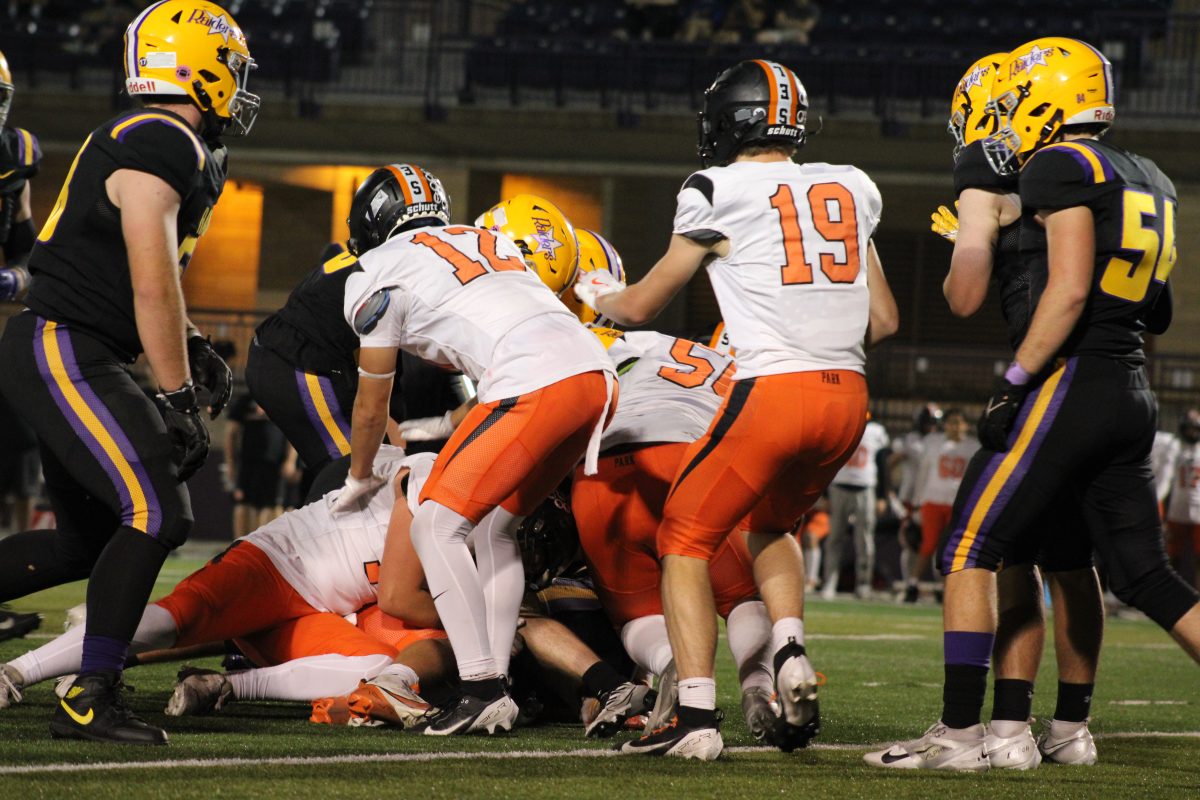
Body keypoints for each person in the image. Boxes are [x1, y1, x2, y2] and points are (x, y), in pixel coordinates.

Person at [867, 38, 1200, 773]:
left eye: (1021, 100)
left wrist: (1015, 380)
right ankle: (1052, 729)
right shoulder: (1149, 175)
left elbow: (1067, 288)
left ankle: (960, 736)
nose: (1011, 117)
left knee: (967, 547)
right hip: (1129, 384)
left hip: (1067, 380)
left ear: (1046, 97)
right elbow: (1162, 306)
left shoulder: (1058, 165)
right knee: (1128, 571)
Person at [574, 59, 898, 759]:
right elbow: (888, 319)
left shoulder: (715, 189)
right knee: (771, 525)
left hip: (773, 393)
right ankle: (787, 651)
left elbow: (641, 305)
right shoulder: (852, 185)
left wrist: (597, 295)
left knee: (682, 543)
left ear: (729, 122)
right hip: (849, 398)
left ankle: (692, 717)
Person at [0, 0, 254, 744]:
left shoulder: (170, 141)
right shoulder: (159, 137)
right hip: (65, 343)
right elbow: (148, 278)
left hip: (76, 345)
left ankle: (94, 687)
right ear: (194, 66)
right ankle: (92, 694)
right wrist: (178, 393)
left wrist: (192, 340)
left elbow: (144, 273)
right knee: (157, 511)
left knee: (88, 539)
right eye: (231, 68)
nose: (238, 85)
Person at [333, 169, 615, 736]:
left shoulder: (375, 272)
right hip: (595, 375)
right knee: (494, 530)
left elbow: (371, 405)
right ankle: (495, 683)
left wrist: (359, 474)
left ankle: (483, 686)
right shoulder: (478, 237)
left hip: (535, 379)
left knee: (435, 525)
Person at [916, 50, 1111, 767]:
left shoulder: (1008, 176)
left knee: (977, 549)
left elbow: (964, 298)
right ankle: (1064, 729)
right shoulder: (1117, 176)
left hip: (1049, 389)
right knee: (1067, 561)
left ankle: (976, 731)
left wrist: (973, 235)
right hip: (1114, 387)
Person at [0, 447, 449, 730]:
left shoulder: (467, 522)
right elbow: (397, 595)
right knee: (174, 622)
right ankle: (15, 673)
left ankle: (223, 686)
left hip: (317, 611)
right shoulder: (429, 474)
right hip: (278, 563)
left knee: (377, 665)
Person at [906, 408, 979, 599]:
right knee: (928, 545)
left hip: (958, 503)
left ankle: (943, 586)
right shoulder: (933, 442)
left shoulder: (973, 447)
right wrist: (917, 501)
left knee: (949, 548)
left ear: (965, 425)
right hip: (933, 499)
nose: (955, 426)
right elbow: (924, 472)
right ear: (945, 425)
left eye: (958, 422)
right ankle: (913, 584)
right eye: (951, 422)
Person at [820, 416, 889, 600]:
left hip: (865, 488)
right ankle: (829, 583)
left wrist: (882, 495)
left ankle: (863, 584)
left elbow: (883, 464)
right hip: (838, 487)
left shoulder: (876, 431)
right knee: (834, 538)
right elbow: (828, 460)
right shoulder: (839, 426)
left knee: (864, 540)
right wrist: (825, 494)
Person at [889, 403, 942, 601]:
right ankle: (910, 585)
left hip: (931, 497)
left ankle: (940, 586)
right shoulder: (908, 441)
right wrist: (889, 491)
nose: (930, 426)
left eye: (933, 422)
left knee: (936, 543)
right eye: (927, 421)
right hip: (910, 498)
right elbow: (890, 463)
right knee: (911, 542)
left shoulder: (940, 442)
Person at [224, 393, 292, 536]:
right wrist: (230, 462)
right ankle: (240, 544)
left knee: (274, 504)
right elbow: (231, 433)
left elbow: (293, 433)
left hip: (275, 463)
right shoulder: (245, 400)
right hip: (248, 462)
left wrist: (290, 460)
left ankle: (270, 544)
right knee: (244, 503)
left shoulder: (282, 399)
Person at [1165, 410, 1200, 587]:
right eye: (1189, 428)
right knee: (1174, 556)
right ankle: (1175, 593)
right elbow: (1166, 478)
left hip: (1198, 509)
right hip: (1177, 509)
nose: (1192, 433)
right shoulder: (1174, 448)